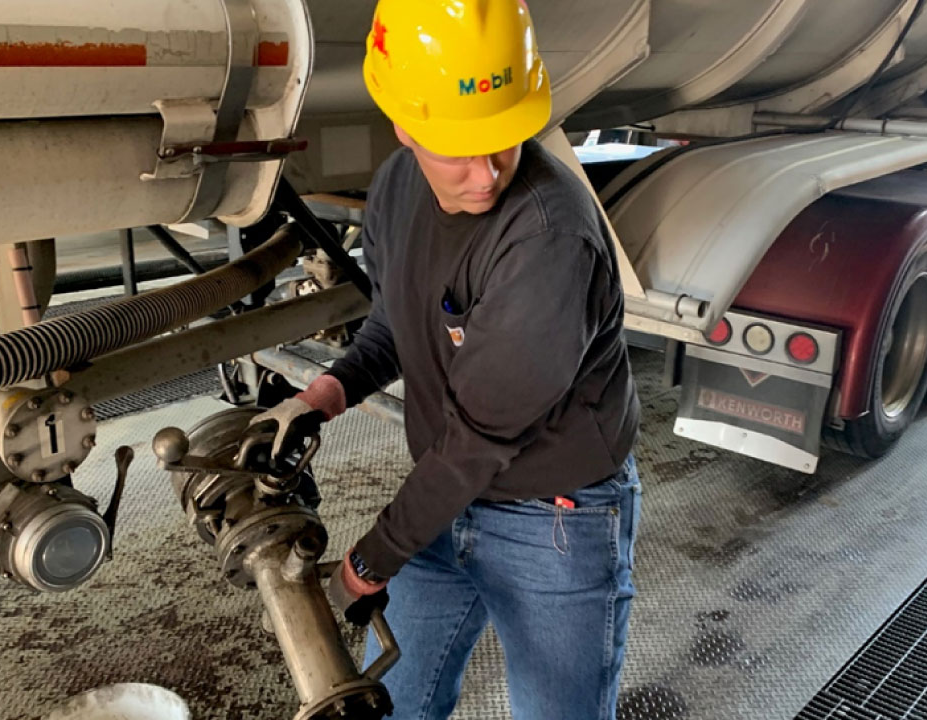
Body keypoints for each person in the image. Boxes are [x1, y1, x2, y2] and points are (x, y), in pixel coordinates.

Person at [252, 1, 641, 717]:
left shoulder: (549, 240)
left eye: (505, 140)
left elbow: (482, 436)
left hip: (553, 518)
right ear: (404, 124)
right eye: (458, 148)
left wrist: (372, 560)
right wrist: (325, 395)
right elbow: (399, 318)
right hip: (446, 494)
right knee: (394, 703)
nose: (487, 173)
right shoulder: (399, 188)